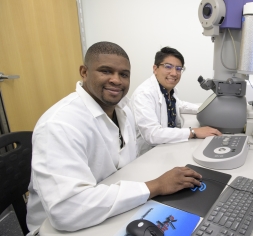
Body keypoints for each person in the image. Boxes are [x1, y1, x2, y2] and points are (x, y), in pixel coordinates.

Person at [26, 42, 202, 234]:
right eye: (106, 71)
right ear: (84, 72)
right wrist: (157, 185)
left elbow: (124, 166)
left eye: (123, 74)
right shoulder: (59, 125)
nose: (116, 80)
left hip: (112, 202)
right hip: (62, 228)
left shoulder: (123, 108)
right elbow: (66, 211)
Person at [130, 47, 222, 155]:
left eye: (178, 68)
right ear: (155, 69)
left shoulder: (168, 91)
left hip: (168, 148)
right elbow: (152, 134)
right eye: (168, 67)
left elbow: (180, 105)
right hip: (148, 156)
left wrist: (207, 109)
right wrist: (193, 131)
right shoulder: (144, 94)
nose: (174, 73)